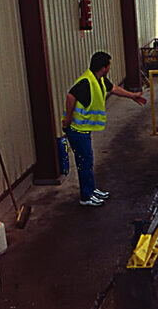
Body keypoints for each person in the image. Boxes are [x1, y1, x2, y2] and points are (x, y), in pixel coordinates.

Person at [61, 51, 147, 206]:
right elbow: (70, 96)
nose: (110, 68)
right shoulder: (86, 82)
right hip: (77, 130)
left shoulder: (99, 79)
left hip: (83, 129)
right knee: (84, 162)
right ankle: (86, 197)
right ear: (103, 67)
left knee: (88, 160)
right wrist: (67, 119)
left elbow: (114, 89)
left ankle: (91, 190)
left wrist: (132, 95)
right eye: (109, 65)